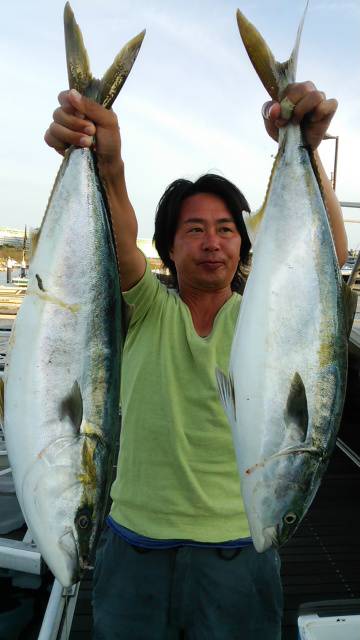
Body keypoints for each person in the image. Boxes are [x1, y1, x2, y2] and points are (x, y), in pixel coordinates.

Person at [45, 81, 348, 639]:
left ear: (243, 246)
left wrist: (305, 150)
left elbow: (320, 266)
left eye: (227, 229)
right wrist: (108, 166)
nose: (213, 241)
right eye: (195, 230)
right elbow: (117, 244)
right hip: (135, 544)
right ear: (169, 248)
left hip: (240, 547)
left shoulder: (266, 320)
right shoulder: (144, 309)